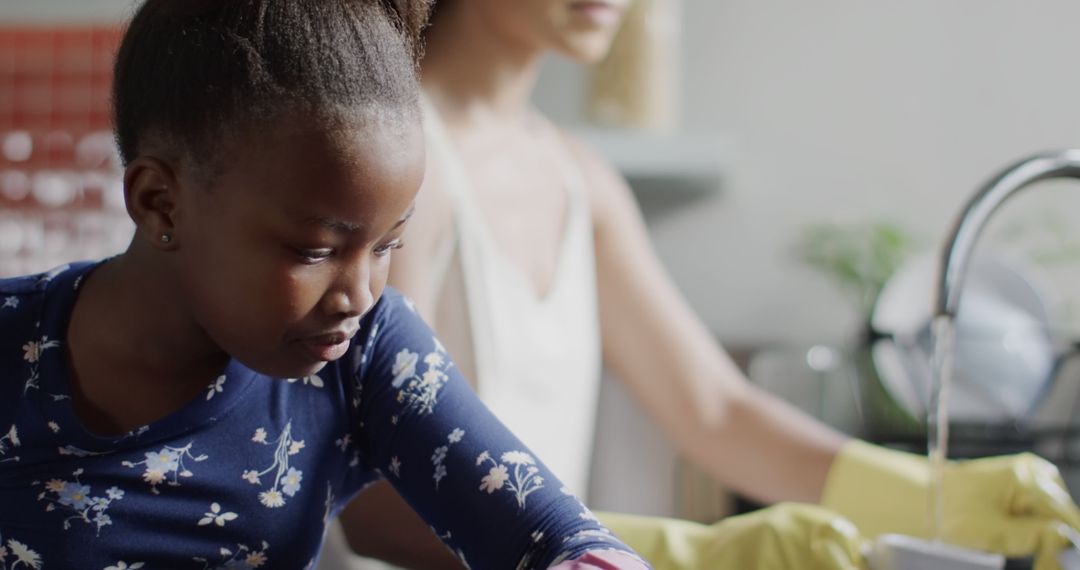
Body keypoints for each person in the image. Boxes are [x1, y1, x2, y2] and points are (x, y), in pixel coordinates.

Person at [320, 0, 1080, 568]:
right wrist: (693, 552)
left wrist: (932, 496)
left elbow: (716, 412)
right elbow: (380, 503)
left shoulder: (580, 180)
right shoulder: (399, 161)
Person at [0, 1, 654, 568]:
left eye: (387, 245)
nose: (359, 294)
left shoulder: (365, 355)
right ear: (159, 203)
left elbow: (549, 537)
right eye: (316, 249)